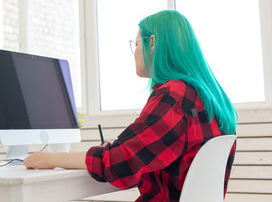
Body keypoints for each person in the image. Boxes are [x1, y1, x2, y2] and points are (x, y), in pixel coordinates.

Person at [24, 10, 237, 202]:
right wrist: (118, 150)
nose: (134, 52)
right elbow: (146, 155)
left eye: (135, 44)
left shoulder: (175, 95)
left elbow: (118, 164)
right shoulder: (210, 99)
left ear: (152, 42)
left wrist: (49, 159)